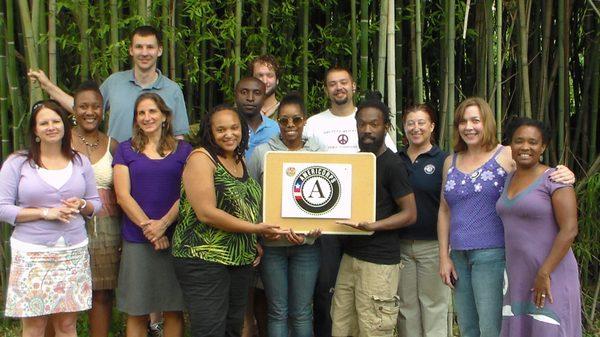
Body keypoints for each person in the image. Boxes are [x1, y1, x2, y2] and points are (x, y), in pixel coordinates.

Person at [437, 97, 575, 337]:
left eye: (475, 120)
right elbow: (444, 210)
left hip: (492, 254)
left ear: (487, 123)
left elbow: (533, 165)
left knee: (491, 329)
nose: (468, 126)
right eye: (463, 121)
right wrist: (443, 256)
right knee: (468, 327)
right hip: (458, 255)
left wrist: (564, 173)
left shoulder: (505, 154)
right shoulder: (451, 161)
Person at [171, 104, 288, 337]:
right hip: (203, 258)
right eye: (221, 129)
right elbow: (207, 212)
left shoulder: (239, 159)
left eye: (234, 128)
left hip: (238, 259)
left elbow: (239, 208)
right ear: (210, 132)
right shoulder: (201, 158)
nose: (229, 134)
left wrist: (251, 237)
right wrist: (255, 229)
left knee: (233, 327)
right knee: (210, 330)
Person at [303, 66, 397, 337]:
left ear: (353, 86)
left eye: (343, 82)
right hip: (328, 222)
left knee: (364, 297)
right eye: (332, 83)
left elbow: (388, 164)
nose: (338, 87)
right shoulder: (314, 123)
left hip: (364, 222)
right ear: (326, 89)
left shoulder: (370, 118)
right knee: (326, 289)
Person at [0, 100, 101, 337]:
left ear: (65, 126)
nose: (51, 127)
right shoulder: (18, 163)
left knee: (66, 325)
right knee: (35, 325)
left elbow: (95, 204)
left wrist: (81, 204)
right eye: (44, 123)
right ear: (35, 130)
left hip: (72, 250)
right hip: (32, 252)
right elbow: (3, 208)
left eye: (56, 121)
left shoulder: (80, 161)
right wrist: (45, 213)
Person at [331, 92, 417, 337]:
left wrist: (373, 225)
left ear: (386, 127)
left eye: (374, 124)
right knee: (342, 326)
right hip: (350, 257)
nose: (367, 129)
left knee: (374, 329)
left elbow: (410, 214)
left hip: (378, 262)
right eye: (362, 124)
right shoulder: (358, 162)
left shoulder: (393, 164)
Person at [247, 92, 325, 337]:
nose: (290, 125)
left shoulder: (320, 152)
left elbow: (329, 200)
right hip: (272, 245)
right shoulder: (261, 153)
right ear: (276, 121)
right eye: (284, 120)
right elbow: (250, 198)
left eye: (296, 119)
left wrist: (317, 229)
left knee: (302, 312)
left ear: (305, 120)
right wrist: (258, 235)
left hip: (307, 245)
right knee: (277, 311)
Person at [113, 93, 191, 337]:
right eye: (141, 113)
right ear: (136, 119)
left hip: (176, 240)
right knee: (137, 309)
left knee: (173, 308)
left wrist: (165, 224)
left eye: (152, 111)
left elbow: (188, 193)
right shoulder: (126, 150)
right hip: (137, 240)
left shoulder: (184, 151)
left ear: (165, 116)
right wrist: (152, 230)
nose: (147, 117)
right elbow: (123, 196)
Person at [28, 25, 189, 142]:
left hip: (157, 168)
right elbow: (82, 109)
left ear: (159, 50)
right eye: (139, 47)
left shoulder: (172, 90)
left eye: (150, 47)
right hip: (116, 164)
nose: (144, 53)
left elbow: (179, 137)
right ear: (131, 50)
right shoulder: (114, 82)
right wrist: (48, 85)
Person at [496, 118, 581, 337]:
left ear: (542, 147)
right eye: (519, 141)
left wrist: (544, 272)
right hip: (518, 273)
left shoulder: (554, 179)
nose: (525, 147)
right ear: (510, 146)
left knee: (548, 328)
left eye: (533, 142)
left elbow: (569, 229)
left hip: (551, 272)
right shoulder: (508, 179)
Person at [71, 81, 121, 337]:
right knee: (62, 289)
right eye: (83, 106)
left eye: (96, 107)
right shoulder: (60, 139)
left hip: (107, 227)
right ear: (73, 109)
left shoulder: (113, 144)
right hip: (67, 224)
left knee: (101, 292)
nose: (90, 112)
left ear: (104, 110)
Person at [396, 104, 450, 337]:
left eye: (421, 123)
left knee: (434, 305)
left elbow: (449, 206)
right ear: (403, 128)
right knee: (406, 308)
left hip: (433, 245)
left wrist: (446, 250)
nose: (415, 128)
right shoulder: (395, 160)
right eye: (410, 123)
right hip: (400, 245)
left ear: (432, 126)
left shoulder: (444, 160)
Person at [235, 76, 279, 161]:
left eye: (257, 93)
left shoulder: (276, 129)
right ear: (236, 95)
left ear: (264, 97)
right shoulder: (228, 128)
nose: (250, 98)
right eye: (244, 92)